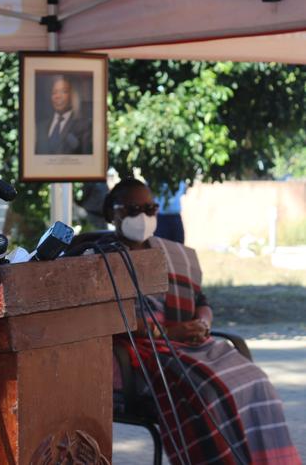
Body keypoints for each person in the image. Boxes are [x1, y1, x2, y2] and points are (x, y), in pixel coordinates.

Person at [103, 178, 300, 465]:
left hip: (191, 342)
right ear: (112, 214)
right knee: (210, 391)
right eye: (132, 209)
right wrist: (171, 331)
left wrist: (202, 325)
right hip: (142, 350)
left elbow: (202, 303)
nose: (142, 216)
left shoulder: (175, 254)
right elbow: (109, 320)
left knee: (256, 381)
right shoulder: (98, 257)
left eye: (149, 208)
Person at [35, 75, 92, 155]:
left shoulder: (84, 126)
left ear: (72, 95)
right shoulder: (40, 127)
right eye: (54, 92)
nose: (57, 96)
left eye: (64, 91)